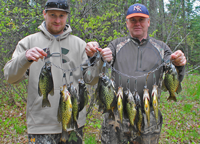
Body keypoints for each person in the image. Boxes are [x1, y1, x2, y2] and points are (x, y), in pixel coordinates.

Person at [86, 3, 186, 144]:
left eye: (141, 19)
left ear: (149, 22)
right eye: (133, 20)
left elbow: (175, 78)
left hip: (148, 114)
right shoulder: (116, 45)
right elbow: (94, 75)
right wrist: (97, 56)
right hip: (117, 114)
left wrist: (179, 64)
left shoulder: (162, 48)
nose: (137, 23)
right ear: (127, 23)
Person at [3, 0, 102, 143]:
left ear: (67, 16)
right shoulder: (28, 42)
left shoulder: (80, 44)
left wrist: (94, 59)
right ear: (44, 14)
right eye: (52, 15)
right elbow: (10, 77)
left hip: (73, 123)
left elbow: (91, 80)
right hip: (41, 125)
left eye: (61, 16)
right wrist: (24, 58)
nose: (57, 20)